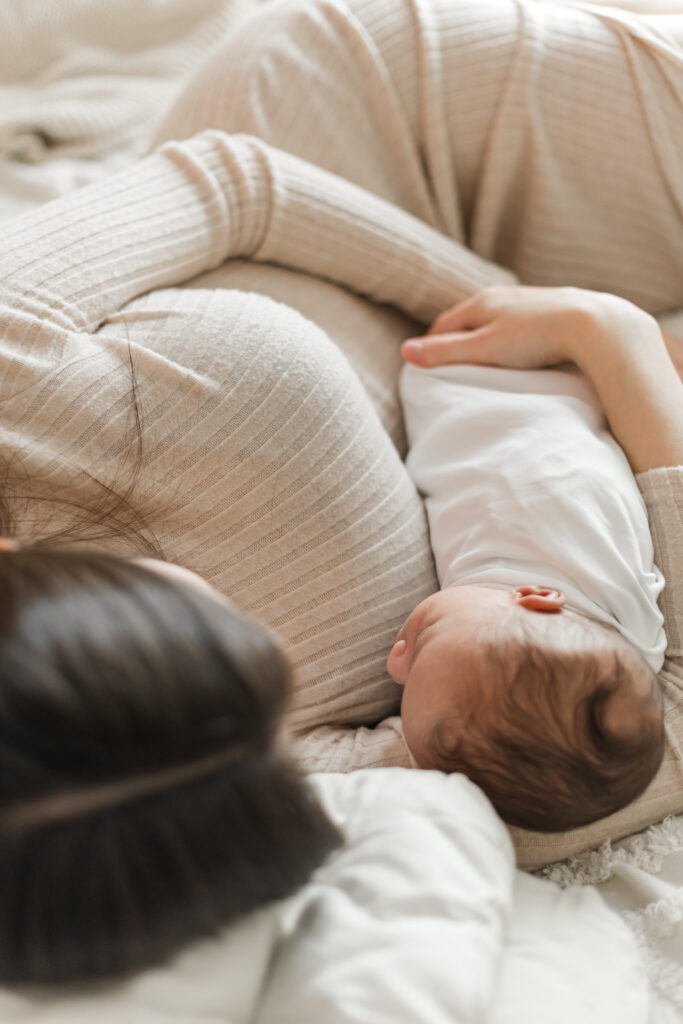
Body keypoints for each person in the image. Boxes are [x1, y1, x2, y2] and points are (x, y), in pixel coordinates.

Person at [0, 0, 682, 984]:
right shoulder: (176, 786)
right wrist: (613, 356)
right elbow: (645, 724)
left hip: (380, 132)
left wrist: (566, 322)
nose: (249, 639)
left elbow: (239, 180)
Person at [387, 285, 678, 831]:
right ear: (536, 598)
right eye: (420, 643)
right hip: (512, 382)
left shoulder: (630, 647)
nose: (393, 661)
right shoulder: (587, 577)